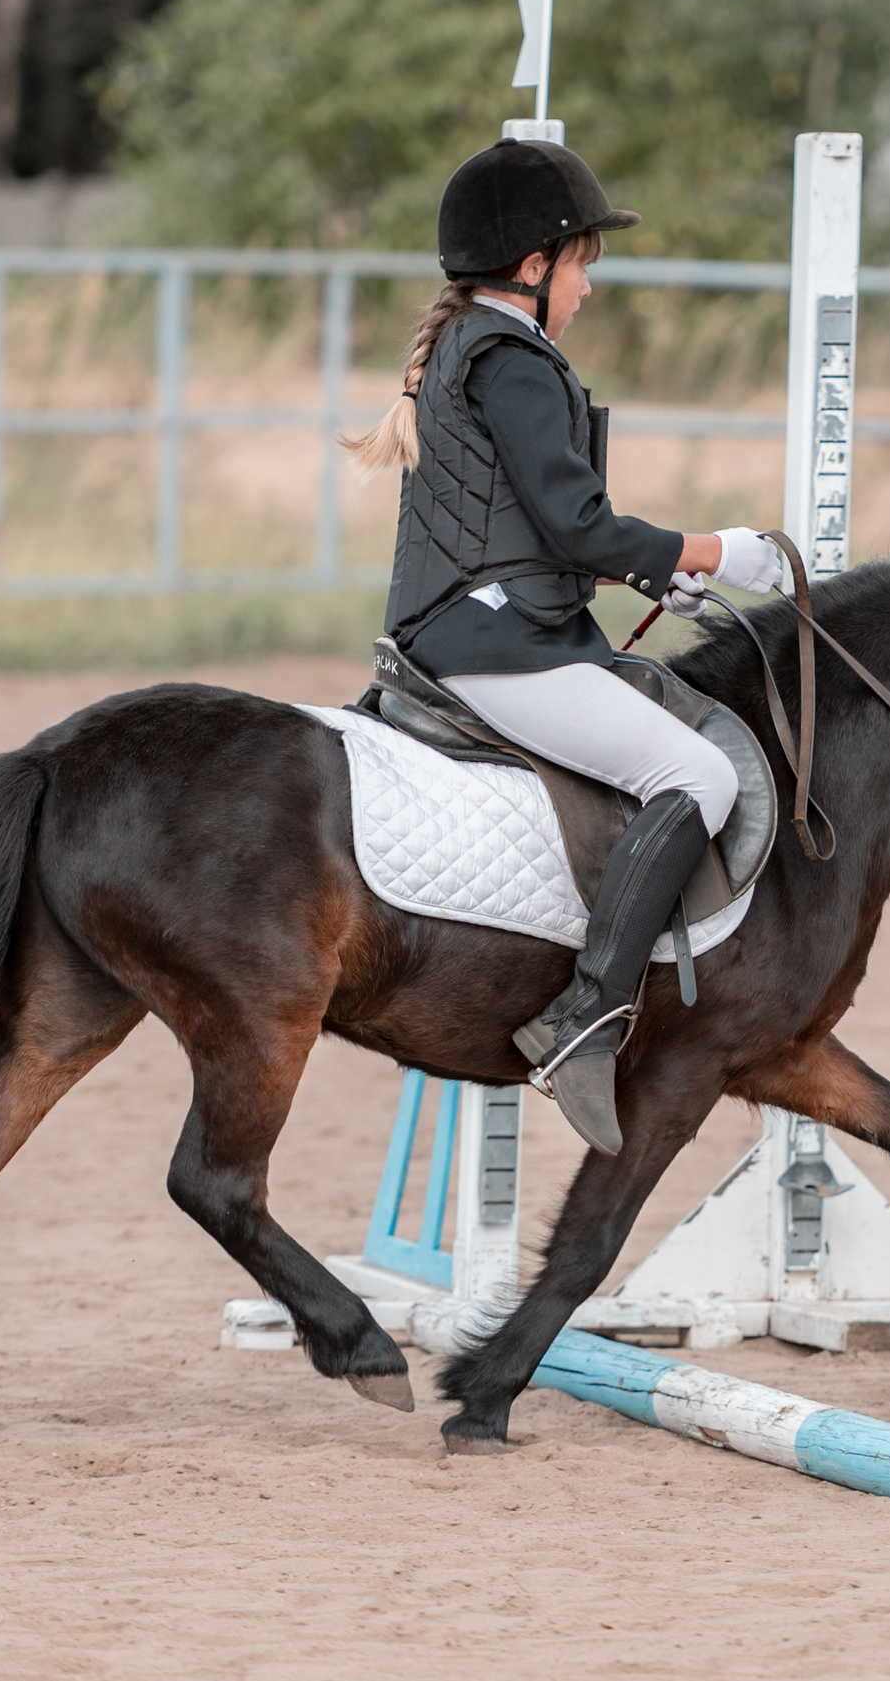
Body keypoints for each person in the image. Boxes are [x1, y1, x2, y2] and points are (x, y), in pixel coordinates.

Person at [347, 137, 786, 1157]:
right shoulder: (511, 358)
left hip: (479, 618)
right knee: (700, 771)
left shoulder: (475, 343)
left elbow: (531, 530)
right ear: (535, 265)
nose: (590, 287)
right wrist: (720, 551)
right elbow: (580, 523)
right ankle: (584, 1016)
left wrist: (647, 573)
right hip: (489, 642)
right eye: (583, 263)